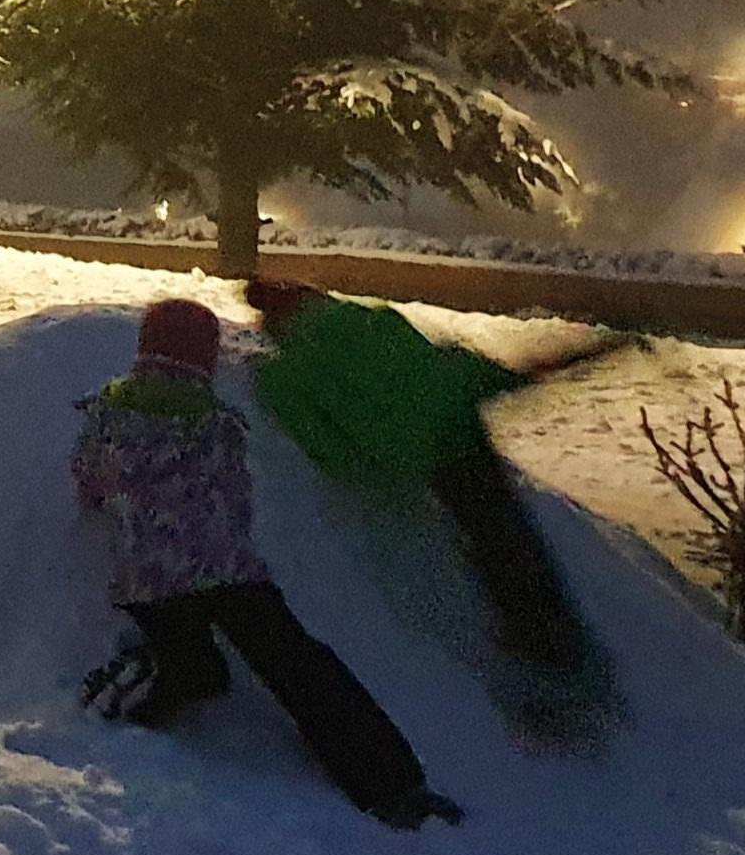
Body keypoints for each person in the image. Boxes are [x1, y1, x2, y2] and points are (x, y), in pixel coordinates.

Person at [72, 296, 461, 827]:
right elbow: (237, 501)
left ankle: (158, 682)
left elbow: (89, 481)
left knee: (188, 659)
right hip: (232, 574)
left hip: (152, 580)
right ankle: (392, 786)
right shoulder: (219, 424)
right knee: (298, 664)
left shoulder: (108, 415)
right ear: (206, 360)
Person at [245, 281, 610, 738]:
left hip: (417, 459)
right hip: (458, 430)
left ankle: (540, 674)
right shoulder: (373, 320)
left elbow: (330, 452)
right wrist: (497, 376)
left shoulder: (286, 376)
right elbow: (438, 369)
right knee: (509, 544)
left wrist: (377, 476)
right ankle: (563, 658)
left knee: (487, 550)